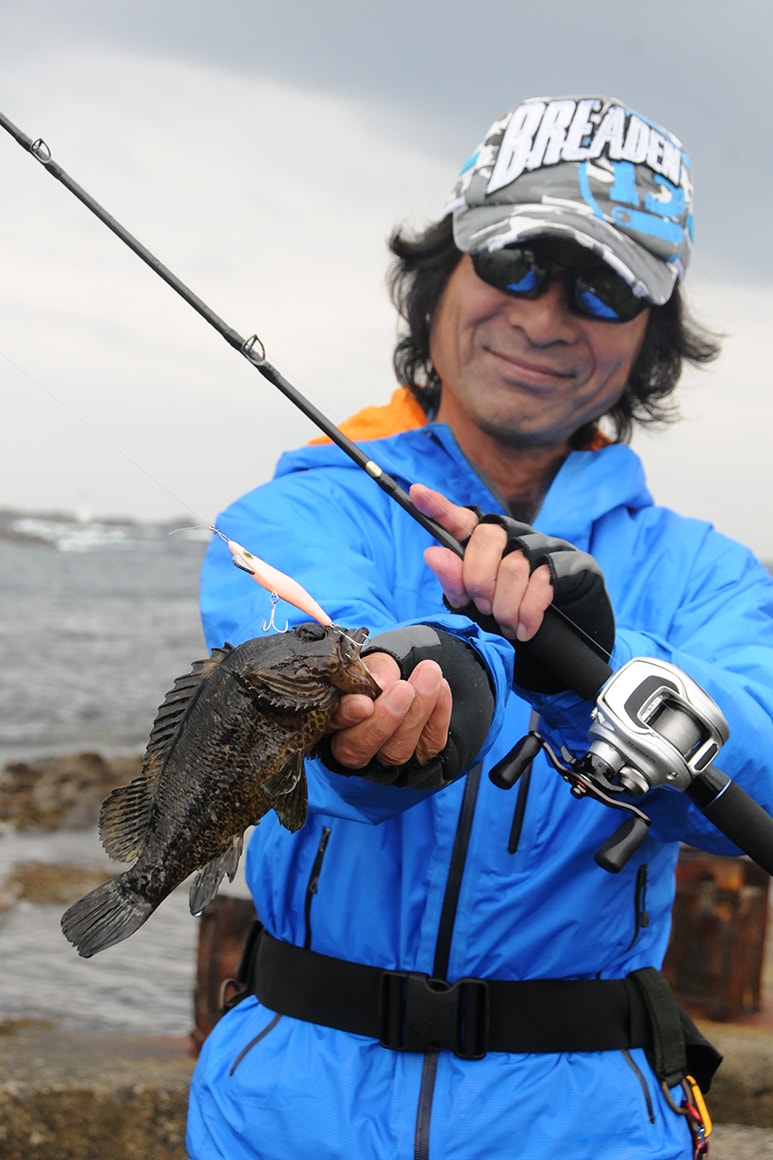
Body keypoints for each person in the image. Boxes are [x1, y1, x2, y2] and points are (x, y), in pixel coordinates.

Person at [186, 94, 773, 1160]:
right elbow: (296, 643)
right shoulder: (295, 510)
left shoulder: (710, 575)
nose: (546, 316)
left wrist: (593, 669)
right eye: (512, 261)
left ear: (648, 338)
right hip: (280, 1117)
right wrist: (417, 681)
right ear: (438, 278)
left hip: (589, 1126)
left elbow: (764, 764)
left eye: (602, 288)